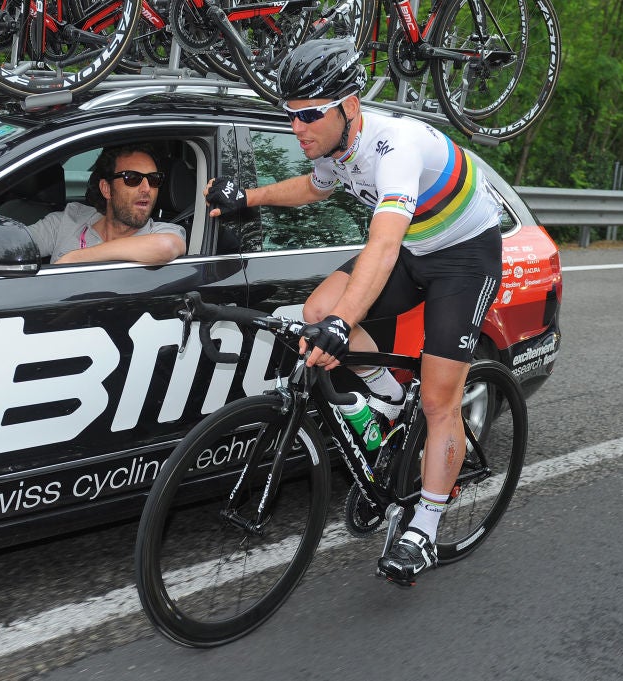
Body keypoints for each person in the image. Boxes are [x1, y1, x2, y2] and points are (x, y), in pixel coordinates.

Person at [203, 39, 504, 586]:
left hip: (463, 257)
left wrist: (343, 324)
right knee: (316, 306)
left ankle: (425, 527)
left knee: (439, 398)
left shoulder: (394, 148)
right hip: (416, 247)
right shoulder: (335, 148)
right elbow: (313, 189)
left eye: (310, 115)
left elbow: (383, 248)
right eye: (291, 115)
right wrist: (248, 198)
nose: (298, 128)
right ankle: (388, 398)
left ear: (350, 105)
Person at [26, 145, 187, 265]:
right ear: (106, 189)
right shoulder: (70, 218)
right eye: (132, 178)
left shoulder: (160, 232)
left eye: (154, 179)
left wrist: (75, 257)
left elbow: (166, 246)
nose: (146, 189)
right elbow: (14, 245)